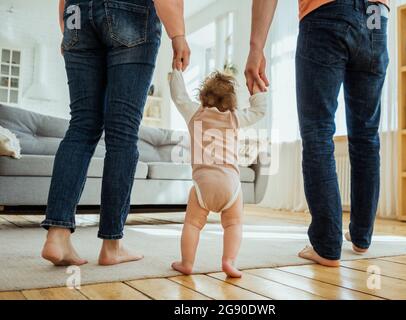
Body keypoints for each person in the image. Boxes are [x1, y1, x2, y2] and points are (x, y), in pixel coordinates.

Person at [41, 0, 190, 266]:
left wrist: (67, 28)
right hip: (128, 10)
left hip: (77, 13)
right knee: (122, 133)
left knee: (81, 126)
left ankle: (57, 234)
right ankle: (112, 245)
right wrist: (178, 34)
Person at [245, 0, 389, 266]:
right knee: (366, 135)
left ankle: (327, 245)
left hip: (326, 12)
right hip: (375, 16)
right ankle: (361, 238)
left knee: (318, 132)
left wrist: (256, 47)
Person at [168, 70, 267, 277]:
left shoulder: (195, 113)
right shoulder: (234, 118)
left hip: (202, 185)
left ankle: (187, 263)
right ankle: (229, 262)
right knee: (233, 224)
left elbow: (179, 97)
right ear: (231, 101)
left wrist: (176, 72)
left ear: (203, 96)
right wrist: (257, 92)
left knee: (192, 224)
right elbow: (259, 112)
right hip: (230, 185)